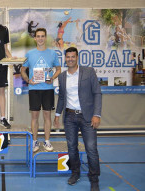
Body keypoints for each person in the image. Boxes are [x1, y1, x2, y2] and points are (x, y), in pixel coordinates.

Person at [54, 47, 102, 191]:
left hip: (87, 117)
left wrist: (97, 114)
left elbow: (97, 93)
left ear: (77, 57)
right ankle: (75, 173)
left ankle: (94, 179)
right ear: (65, 58)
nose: (70, 59)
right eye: (68, 57)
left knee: (91, 149)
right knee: (72, 148)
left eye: (72, 57)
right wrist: (57, 115)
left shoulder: (89, 72)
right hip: (69, 117)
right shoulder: (62, 77)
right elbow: (62, 97)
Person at [21, 28, 61, 152]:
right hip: (34, 89)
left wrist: (52, 78)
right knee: (35, 116)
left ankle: (47, 141)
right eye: (38, 36)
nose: (40, 38)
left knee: (47, 116)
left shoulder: (52, 53)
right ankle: (34, 142)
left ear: (46, 37)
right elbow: (22, 70)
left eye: (42, 36)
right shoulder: (30, 54)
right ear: (35, 38)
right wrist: (28, 80)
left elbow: (58, 69)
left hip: (48, 89)